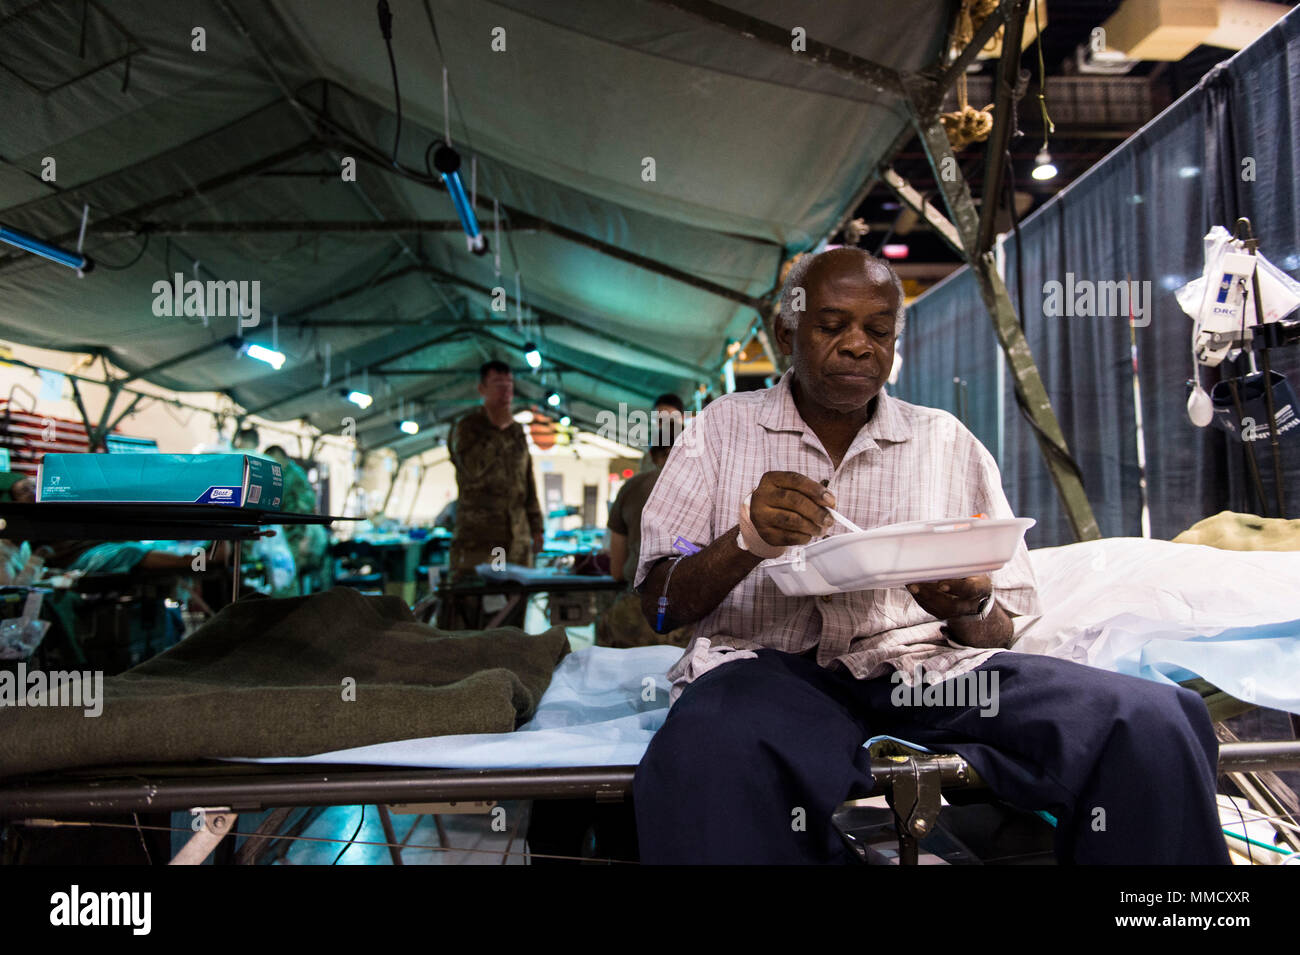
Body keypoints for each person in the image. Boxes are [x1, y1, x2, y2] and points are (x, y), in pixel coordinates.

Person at [632, 247, 1228, 865]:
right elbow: (660, 605)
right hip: (767, 672)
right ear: (788, 332)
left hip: (923, 675)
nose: (859, 346)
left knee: (1151, 720)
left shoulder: (946, 442)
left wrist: (969, 602)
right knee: (712, 753)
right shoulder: (718, 432)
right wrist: (746, 542)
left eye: (879, 330)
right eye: (833, 327)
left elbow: (1005, 626)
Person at [596, 408, 690, 649]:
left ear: (652, 455)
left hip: (636, 614)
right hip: (690, 615)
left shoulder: (631, 488)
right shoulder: (710, 487)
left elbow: (617, 570)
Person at [448, 361, 544, 580]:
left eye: (509, 383)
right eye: (498, 383)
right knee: (475, 604)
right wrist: (497, 429)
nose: (506, 389)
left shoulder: (517, 431)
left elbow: (528, 482)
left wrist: (537, 528)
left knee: (513, 605)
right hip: (478, 540)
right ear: (482, 389)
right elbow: (472, 469)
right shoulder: (467, 427)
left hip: (516, 539)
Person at [261, 444, 329, 594]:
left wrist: (290, 524)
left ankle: (290, 609)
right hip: (284, 534)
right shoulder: (283, 474)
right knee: (283, 574)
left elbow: (307, 503)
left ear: (279, 457)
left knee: (288, 574)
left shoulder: (294, 474)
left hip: (294, 534)